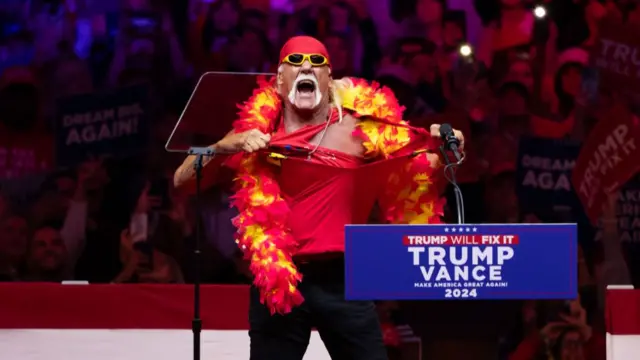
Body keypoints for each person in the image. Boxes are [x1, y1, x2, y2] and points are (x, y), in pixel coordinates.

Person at [174, 35, 464, 360]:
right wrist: (222, 146)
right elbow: (182, 181)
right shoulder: (257, 134)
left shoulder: (359, 130)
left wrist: (447, 150)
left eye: (317, 63)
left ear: (329, 79)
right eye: (295, 63)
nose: (307, 69)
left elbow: (420, 173)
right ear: (280, 81)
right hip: (278, 280)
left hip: (343, 279)